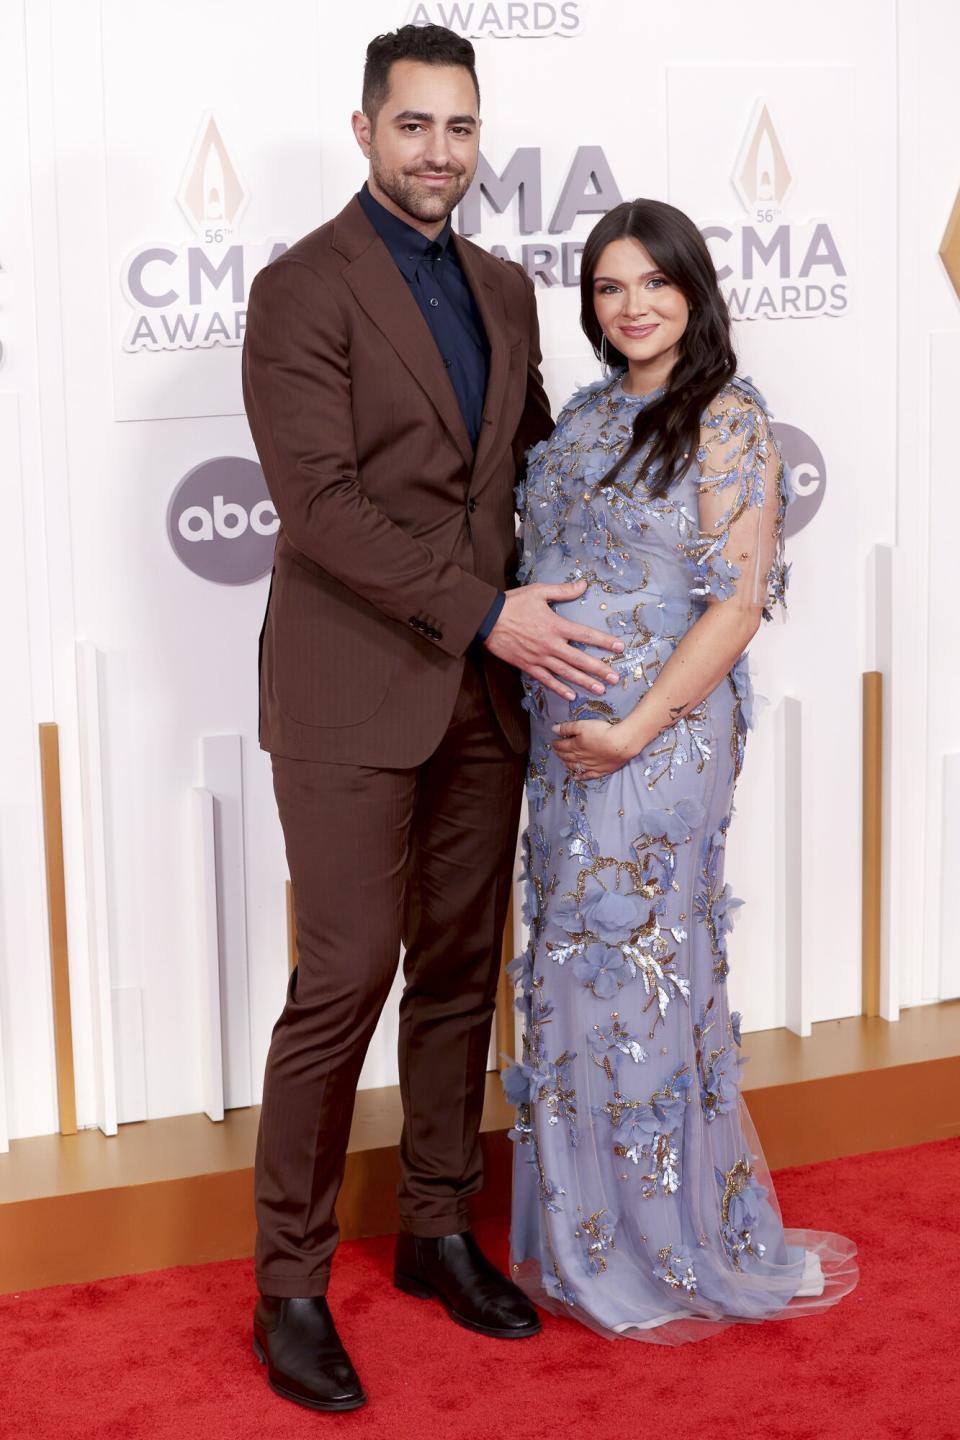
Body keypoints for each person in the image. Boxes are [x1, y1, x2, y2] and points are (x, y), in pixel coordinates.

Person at [241, 23, 622, 1412]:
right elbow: (321, 508)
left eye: (460, 128)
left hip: (484, 691)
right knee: (342, 983)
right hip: (352, 689)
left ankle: (437, 1229)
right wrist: (484, 613)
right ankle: (289, 1286)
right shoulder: (300, 290)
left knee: (461, 972)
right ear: (364, 131)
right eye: (414, 127)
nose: (439, 153)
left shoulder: (508, 289)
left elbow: (526, 470)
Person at [505, 198, 859, 1342]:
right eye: (609, 288)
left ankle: (669, 1244)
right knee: (569, 975)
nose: (633, 305)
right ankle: (589, 1234)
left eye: (653, 283)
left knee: (637, 976)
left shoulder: (727, 421)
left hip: (662, 742)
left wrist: (635, 726)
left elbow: (739, 603)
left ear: (694, 290)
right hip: (566, 745)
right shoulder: (587, 415)